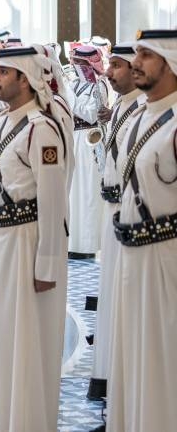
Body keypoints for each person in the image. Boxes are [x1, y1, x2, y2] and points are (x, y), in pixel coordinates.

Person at [0, 45, 68, 432]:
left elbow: (52, 200)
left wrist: (47, 262)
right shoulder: (4, 122)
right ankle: (0, 418)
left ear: (25, 80)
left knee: (24, 335)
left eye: (4, 72)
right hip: (1, 239)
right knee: (1, 332)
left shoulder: (41, 128)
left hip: (27, 240)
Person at [106, 29, 177, 432]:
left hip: (167, 261)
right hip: (130, 257)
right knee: (133, 358)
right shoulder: (137, 117)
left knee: (163, 360)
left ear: (170, 62)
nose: (136, 63)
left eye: (146, 56)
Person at [87, 42, 144, 401]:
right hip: (113, 210)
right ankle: (108, 374)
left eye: (117, 66)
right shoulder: (122, 104)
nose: (109, 73)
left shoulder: (143, 108)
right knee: (110, 292)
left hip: (130, 215)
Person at [67, 45, 111, 259]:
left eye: (80, 63)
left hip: (88, 140)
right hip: (73, 139)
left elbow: (91, 114)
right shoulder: (74, 84)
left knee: (87, 193)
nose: (75, 66)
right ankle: (72, 243)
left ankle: (87, 245)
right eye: (75, 62)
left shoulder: (99, 85)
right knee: (73, 192)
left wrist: (68, 96)